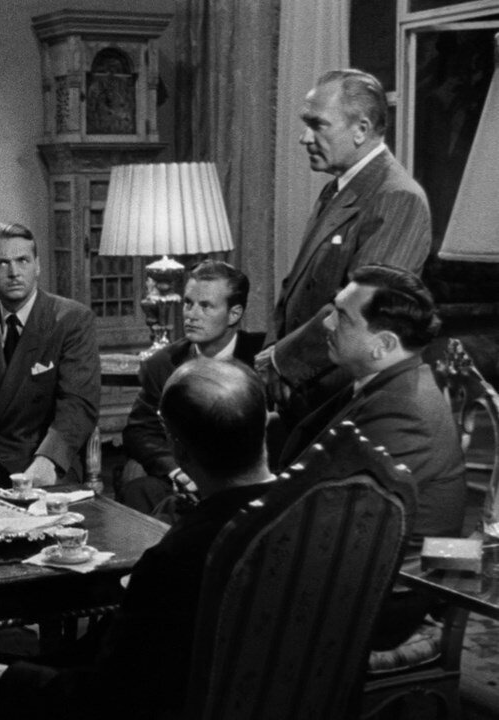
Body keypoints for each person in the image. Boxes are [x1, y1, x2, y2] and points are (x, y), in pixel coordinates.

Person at [0, 359, 276, 720]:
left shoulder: (178, 557)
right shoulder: (308, 517)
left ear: (178, 449)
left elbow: (111, 696)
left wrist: (11, 680)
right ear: (265, 425)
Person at [279, 264, 465, 649]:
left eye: (342, 317)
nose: (326, 323)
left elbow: (328, 512)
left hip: (381, 600)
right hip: (348, 570)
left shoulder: (403, 409)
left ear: (382, 344)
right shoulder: (384, 381)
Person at [256, 69, 432, 426]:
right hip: (306, 396)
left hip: (345, 404)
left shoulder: (397, 198)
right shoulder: (338, 189)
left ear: (361, 129)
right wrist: (274, 357)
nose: (304, 138)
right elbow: (295, 290)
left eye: (317, 125)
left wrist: (280, 362)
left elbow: (361, 310)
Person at [0, 222, 100, 487]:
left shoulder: (71, 319)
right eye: (2, 263)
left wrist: (47, 461)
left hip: (45, 458)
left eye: (23, 261)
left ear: (37, 266)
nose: (14, 273)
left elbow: (77, 405)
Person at [119, 260, 263, 515]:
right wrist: (177, 472)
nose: (191, 315)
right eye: (188, 303)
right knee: (138, 490)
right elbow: (140, 431)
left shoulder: (261, 359)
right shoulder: (164, 363)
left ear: (234, 313)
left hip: (243, 484)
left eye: (205, 306)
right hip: (184, 479)